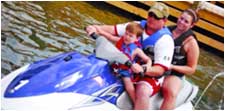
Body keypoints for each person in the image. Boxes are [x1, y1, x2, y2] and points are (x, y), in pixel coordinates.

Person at [86, 2, 174, 110]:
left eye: (156, 17)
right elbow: (113, 30)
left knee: (142, 91)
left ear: (164, 21)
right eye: (151, 14)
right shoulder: (136, 26)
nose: (152, 18)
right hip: (125, 64)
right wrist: (95, 28)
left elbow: (160, 69)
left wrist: (143, 69)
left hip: (148, 75)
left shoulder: (165, 40)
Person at [96, 22, 152, 106]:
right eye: (126, 34)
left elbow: (148, 59)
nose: (127, 37)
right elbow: (110, 37)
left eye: (131, 36)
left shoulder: (136, 50)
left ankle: (135, 104)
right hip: (115, 64)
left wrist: (147, 66)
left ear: (137, 38)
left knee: (128, 86)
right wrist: (100, 32)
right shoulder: (121, 40)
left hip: (126, 70)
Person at [160, 8, 200, 109]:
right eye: (181, 18)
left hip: (174, 73)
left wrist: (172, 66)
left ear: (192, 25)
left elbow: (191, 69)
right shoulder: (166, 30)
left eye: (186, 21)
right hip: (158, 65)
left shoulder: (191, 43)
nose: (181, 22)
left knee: (170, 91)